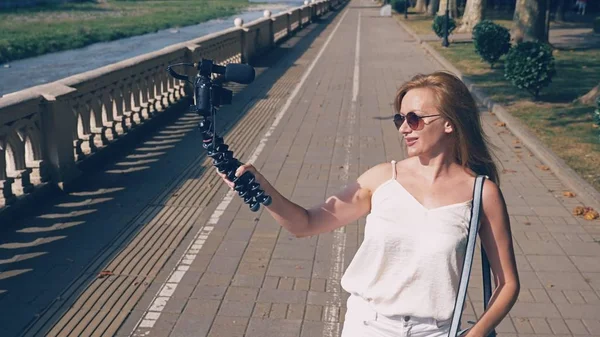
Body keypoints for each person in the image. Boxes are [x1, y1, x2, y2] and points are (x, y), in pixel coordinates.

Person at [217, 71, 520, 337]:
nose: (404, 128)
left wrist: (477, 333)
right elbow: (305, 224)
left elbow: (507, 283)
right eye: (399, 119)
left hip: (437, 331)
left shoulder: (482, 193)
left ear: (449, 124)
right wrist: (263, 188)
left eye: (414, 118)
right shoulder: (381, 178)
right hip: (368, 327)